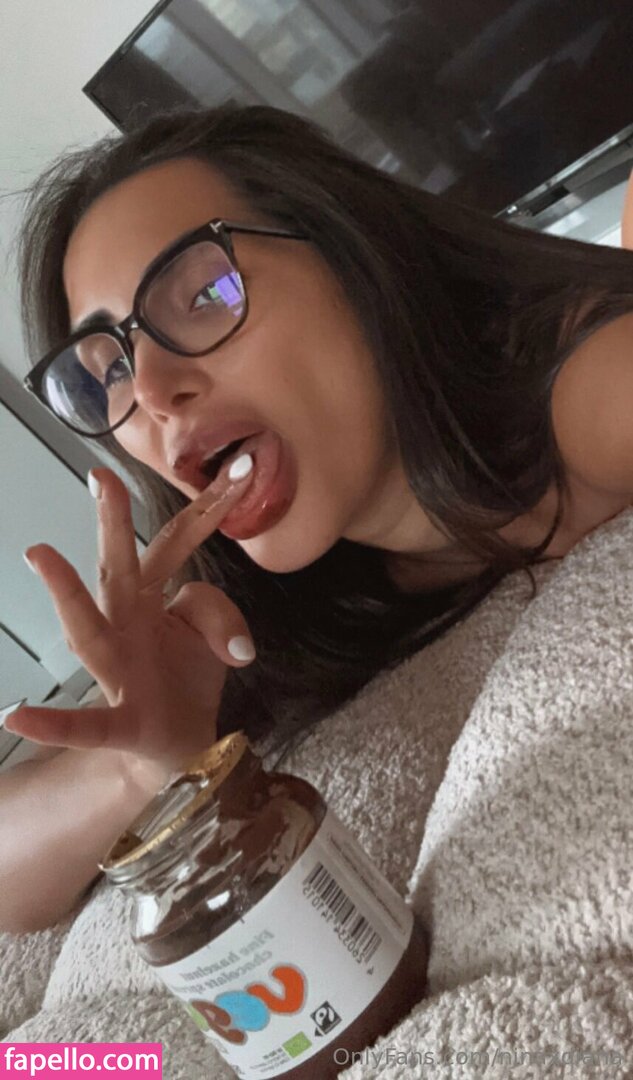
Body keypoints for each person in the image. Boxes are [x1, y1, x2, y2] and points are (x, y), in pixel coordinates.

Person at [2, 104, 633, 935]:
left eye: (207, 292)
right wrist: (134, 763)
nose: (150, 392)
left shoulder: (584, 389)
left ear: (357, 258)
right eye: (109, 370)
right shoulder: (250, 615)